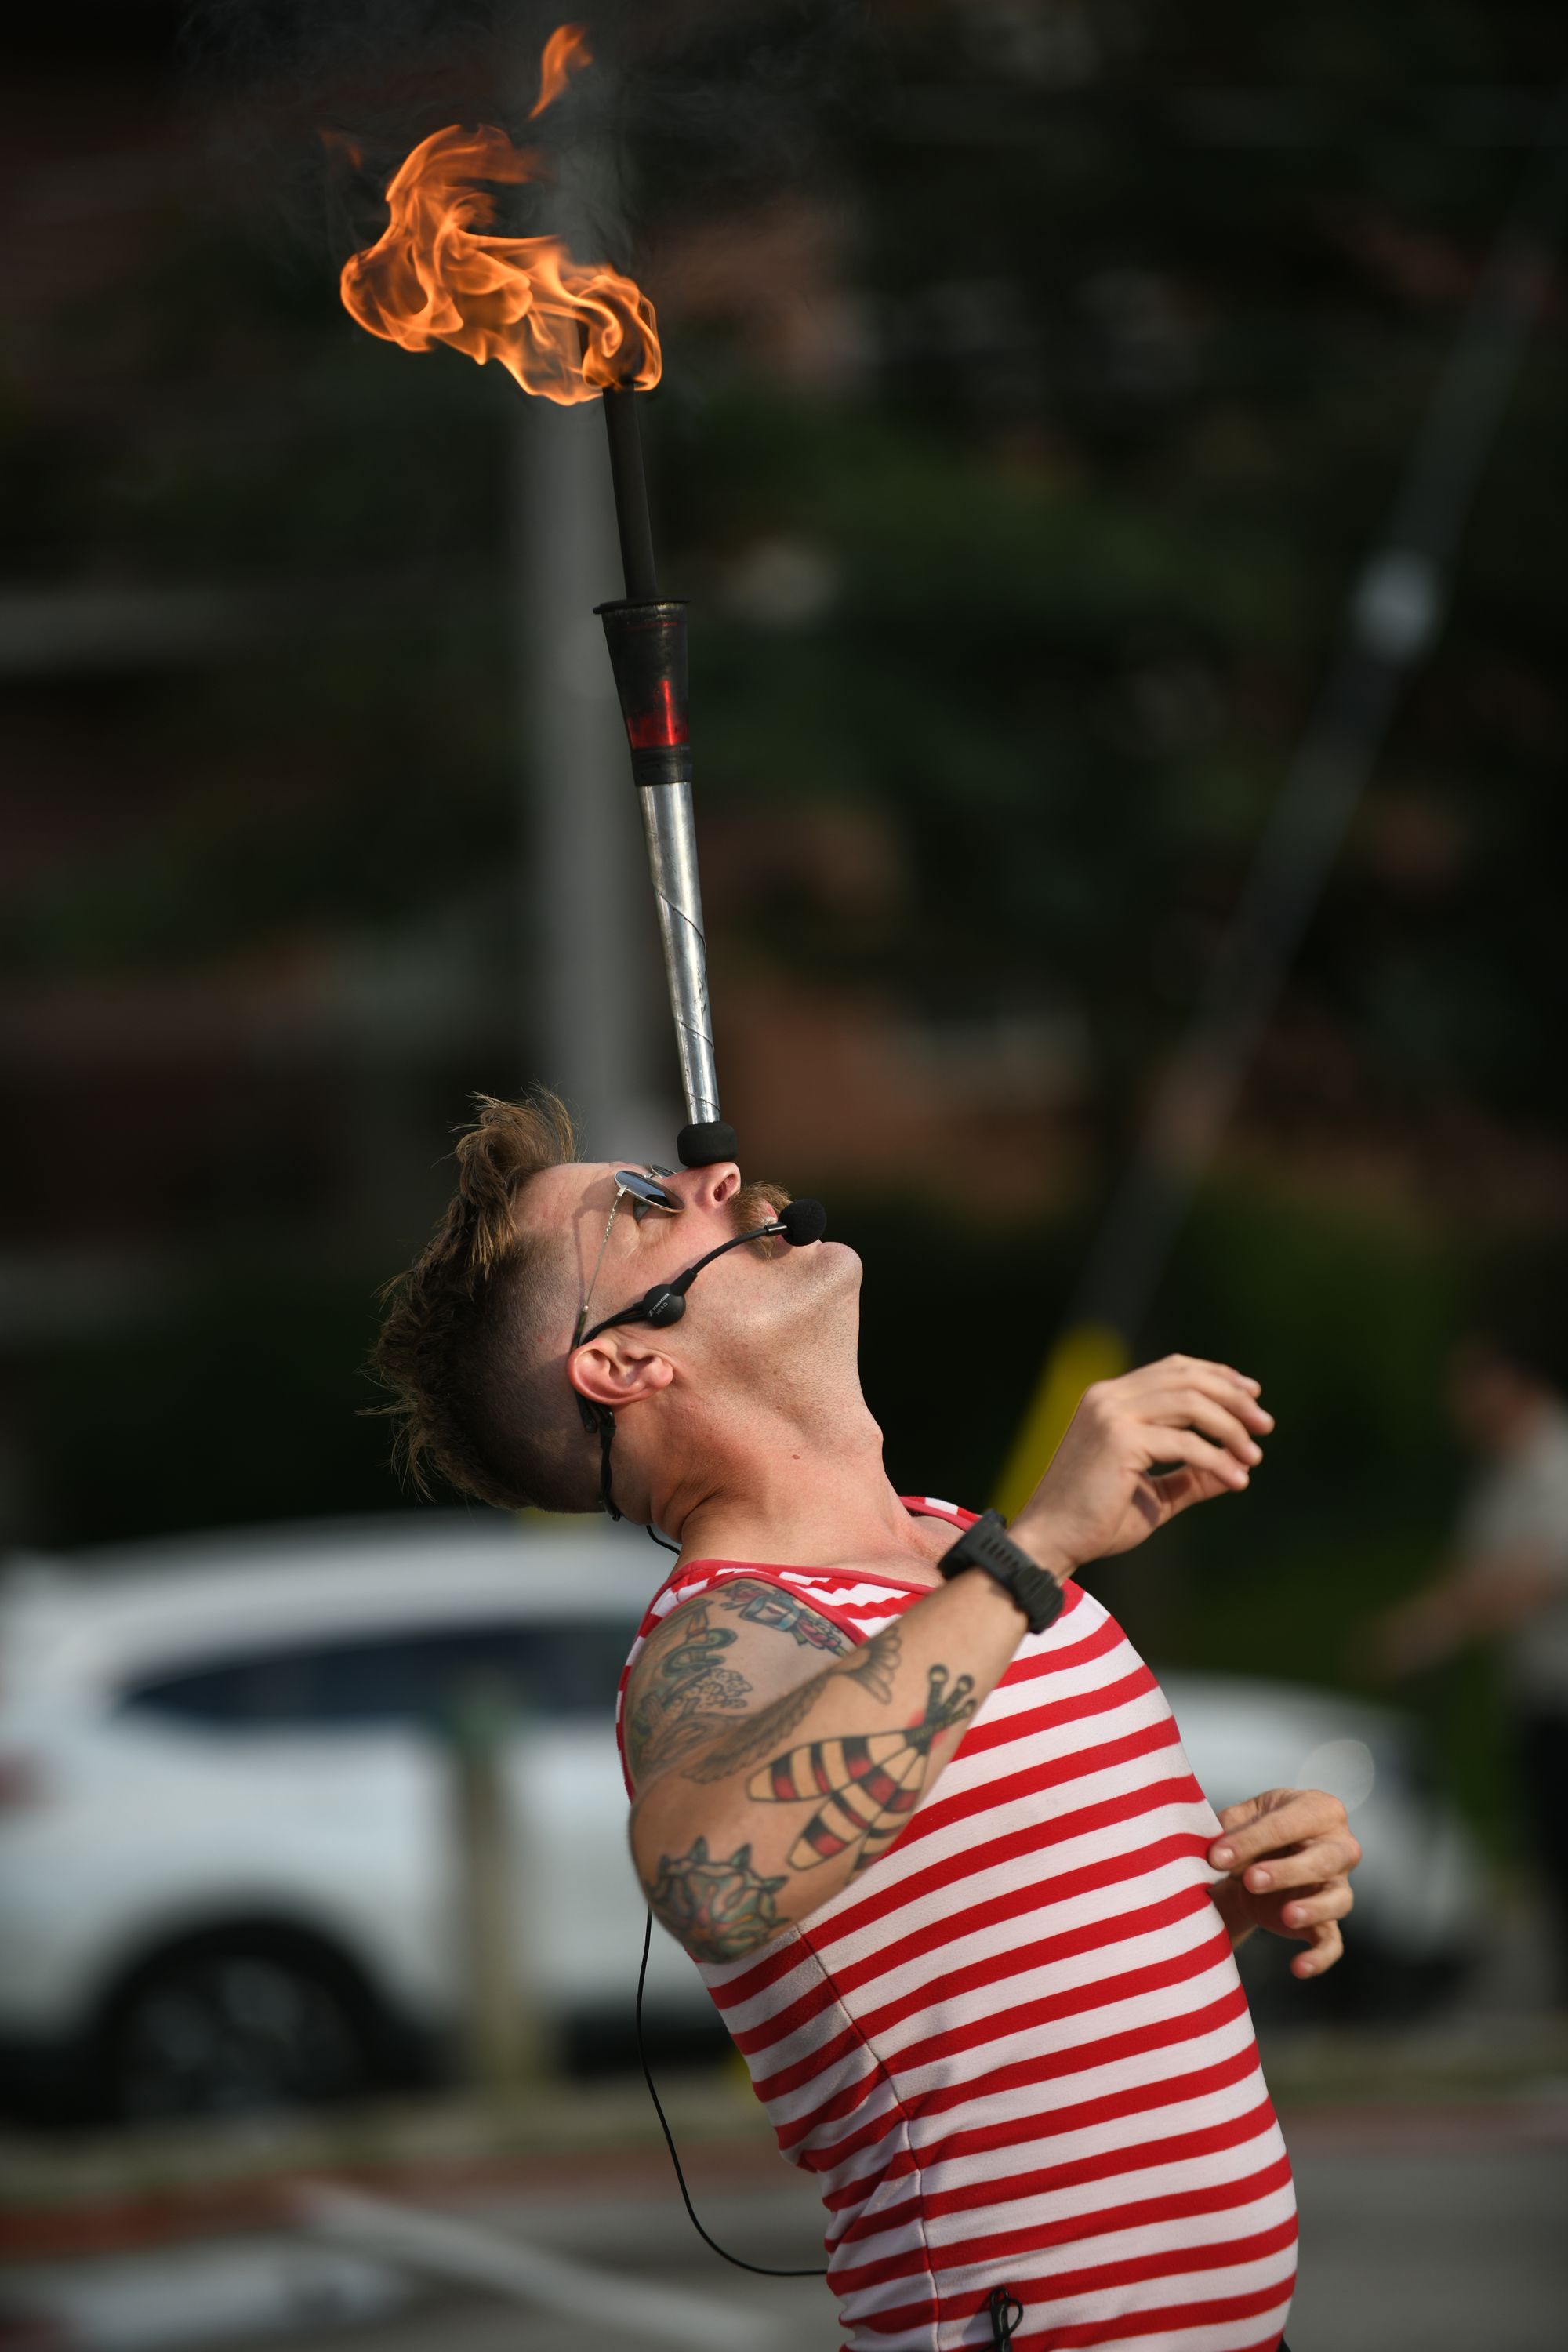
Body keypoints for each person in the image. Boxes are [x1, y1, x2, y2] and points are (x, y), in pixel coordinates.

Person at [375, 1092, 1359, 2352]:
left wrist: (1217, 1897)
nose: (715, 1176)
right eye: (645, 1207)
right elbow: (710, 1876)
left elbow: (985, 1972)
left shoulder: (958, 1553)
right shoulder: (725, 1630)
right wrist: (1040, 1547)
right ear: (623, 1361)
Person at [1370, 1315, 1568, 1987]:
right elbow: (1472, 1569)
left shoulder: (1555, 1461)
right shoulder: (1502, 1471)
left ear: (1513, 1381)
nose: (1459, 1401)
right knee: (1548, 1841)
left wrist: (1432, 1627)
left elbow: (1533, 1576)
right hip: (1538, 1694)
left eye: (1472, 1382)